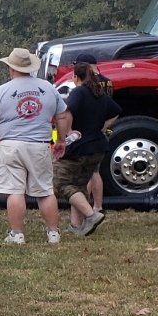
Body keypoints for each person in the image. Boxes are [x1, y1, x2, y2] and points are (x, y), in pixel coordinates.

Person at [0, 47, 70, 245]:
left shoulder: (2, 90)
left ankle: (17, 234)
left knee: (14, 190)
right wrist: (61, 140)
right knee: (45, 190)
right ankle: (53, 233)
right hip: (39, 145)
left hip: (10, 145)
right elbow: (62, 116)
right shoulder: (48, 88)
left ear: (11, 68)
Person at [55, 56, 119, 237]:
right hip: (98, 147)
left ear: (76, 77)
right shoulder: (100, 93)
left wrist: (65, 136)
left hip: (80, 148)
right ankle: (77, 226)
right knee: (80, 184)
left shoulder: (78, 92)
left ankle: (91, 215)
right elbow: (116, 112)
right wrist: (102, 127)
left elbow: (67, 112)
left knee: (62, 184)